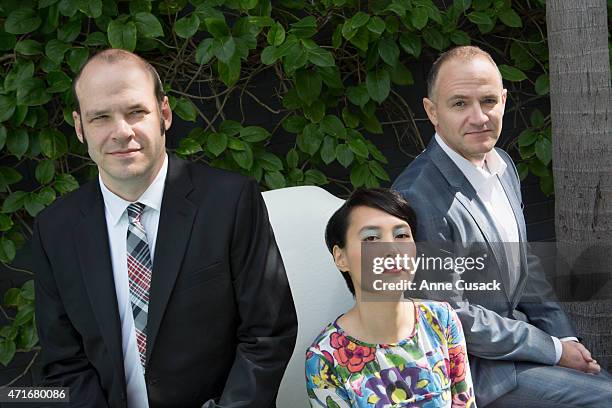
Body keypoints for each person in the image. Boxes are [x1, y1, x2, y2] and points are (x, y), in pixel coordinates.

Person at [33, 49, 297, 408]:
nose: (121, 131)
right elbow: (64, 363)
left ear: (164, 113)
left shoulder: (230, 202)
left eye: (135, 112)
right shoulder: (55, 230)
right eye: (101, 118)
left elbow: (267, 334)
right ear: (80, 128)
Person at [392, 45, 612, 407]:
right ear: (432, 112)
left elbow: (527, 267)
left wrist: (566, 340)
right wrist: (554, 350)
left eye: (489, 101)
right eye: (460, 104)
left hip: (523, 351)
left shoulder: (502, 164)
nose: (479, 117)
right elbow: (450, 314)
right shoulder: (416, 196)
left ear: (505, 101)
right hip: (475, 372)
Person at [305, 188, 475, 407]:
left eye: (402, 235)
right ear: (341, 257)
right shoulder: (324, 358)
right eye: (372, 238)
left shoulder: (442, 320)